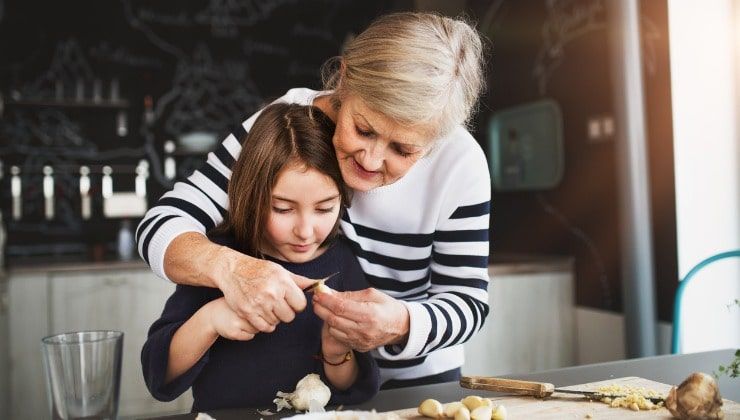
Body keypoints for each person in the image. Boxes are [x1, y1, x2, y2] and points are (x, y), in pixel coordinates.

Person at [137, 11, 491, 389]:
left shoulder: (460, 164)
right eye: (363, 129)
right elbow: (162, 223)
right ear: (343, 80)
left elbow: (467, 301)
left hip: (421, 385)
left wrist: (402, 323)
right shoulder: (288, 125)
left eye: (403, 149)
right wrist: (229, 268)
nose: (370, 161)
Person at [141, 103, 380, 411]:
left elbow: (354, 390)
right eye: (282, 208)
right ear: (252, 197)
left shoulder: (344, 262)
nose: (305, 231)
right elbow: (159, 377)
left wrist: (337, 355)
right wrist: (211, 319)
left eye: (324, 208)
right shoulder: (224, 262)